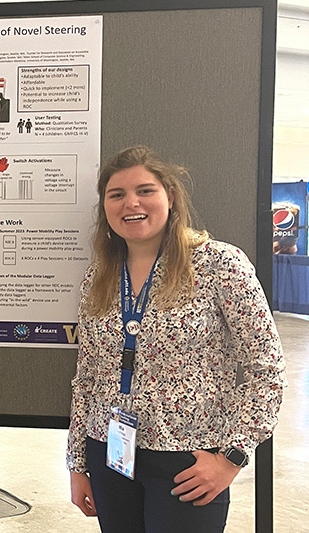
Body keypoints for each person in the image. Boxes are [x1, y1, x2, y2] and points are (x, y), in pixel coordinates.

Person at [67, 145, 285, 532]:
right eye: (116, 195)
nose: (131, 203)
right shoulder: (97, 277)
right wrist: (78, 463)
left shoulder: (220, 265)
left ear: (170, 196)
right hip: (111, 453)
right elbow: (87, 378)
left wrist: (231, 457)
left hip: (188, 458)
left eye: (145, 190)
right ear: (105, 208)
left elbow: (265, 370)